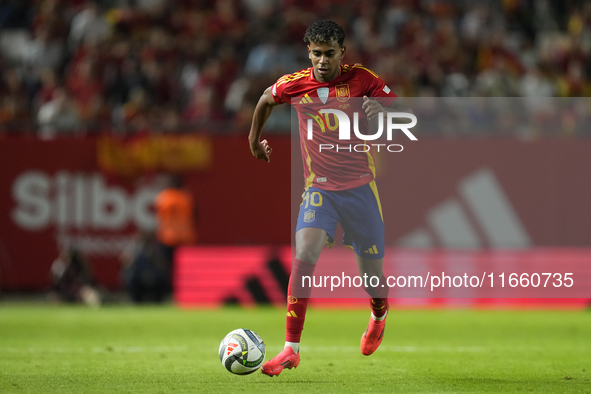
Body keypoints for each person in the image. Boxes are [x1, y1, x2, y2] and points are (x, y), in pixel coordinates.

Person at [249, 20, 406, 376]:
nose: (322, 60)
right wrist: (253, 140)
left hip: (361, 188)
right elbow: (264, 99)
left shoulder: (362, 79)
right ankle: (291, 348)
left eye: (329, 53)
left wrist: (383, 115)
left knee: (371, 276)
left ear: (342, 53)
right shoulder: (294, 84)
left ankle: (379, 313)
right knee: (304, 252)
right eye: (316, 53)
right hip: (319, 188)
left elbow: (403, 114)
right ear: (309, 52)